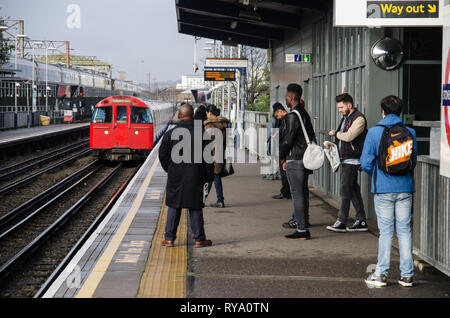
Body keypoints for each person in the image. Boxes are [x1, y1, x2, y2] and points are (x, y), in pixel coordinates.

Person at [361, 95, 417, 287]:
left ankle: (382, 274)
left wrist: (378, 173)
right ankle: (407, 275)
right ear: (400, 112)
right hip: (405, 189)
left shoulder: (375, 132)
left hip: (383, 189)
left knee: (386, 233)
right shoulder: (410, 132)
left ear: (383, 111)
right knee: (404, 231)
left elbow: (365, 163)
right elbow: (413, 161)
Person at [158, 103, 214, 248]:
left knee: (174, 206)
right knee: (195, 207)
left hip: (176, 177)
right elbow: (208, 160)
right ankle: (199, 238)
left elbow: (162, 155)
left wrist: (169, 170)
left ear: (180, 116)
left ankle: (169, 238)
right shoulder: (202, 134)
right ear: (193, 116)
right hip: (196, 176)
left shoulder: (170, 134)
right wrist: (209, 177)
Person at [325, 93, 368, 233]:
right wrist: (332, 145)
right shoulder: (346, 117)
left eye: (341, 107)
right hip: (346, 158)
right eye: (338, 108)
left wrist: (335, 134)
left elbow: (349, 136)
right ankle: (361, 220)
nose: (340, 110)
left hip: (353, 159)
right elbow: (343, 138)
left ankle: (341, 221)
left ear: (349, 105)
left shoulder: (359, 118)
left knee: (345, 190)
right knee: (353, 190)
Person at [279, 84, 316, 240]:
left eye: (286, 97)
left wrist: (282, 157)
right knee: (303, 193)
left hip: (296, 159)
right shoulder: (304, 114)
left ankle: (301, 229)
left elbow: (288, 141)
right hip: (306, 159)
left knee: (297, 195)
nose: (285, 99)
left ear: (292, 97)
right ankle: (304, 223)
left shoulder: (292, 116)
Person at [204, 104, 229, 208]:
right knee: (213, 177)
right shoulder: (222, 124)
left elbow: (205, 142)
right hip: (220, 153)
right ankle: (205, 199)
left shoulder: (210, 125)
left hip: (212, 155)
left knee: (214, 177)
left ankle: (220, 200)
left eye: (206, 113)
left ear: (209, 113)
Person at [271, 103, 292, 198]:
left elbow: (286, 137)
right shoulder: (286, 119)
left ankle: (286, 192)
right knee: (284, 173)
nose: (278, 118)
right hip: (285, 150)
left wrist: (283, 156)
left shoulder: (287, 119)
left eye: (277, 115)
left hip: (286, 151)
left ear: (280, 111)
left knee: (284, 173)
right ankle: (286, 191)